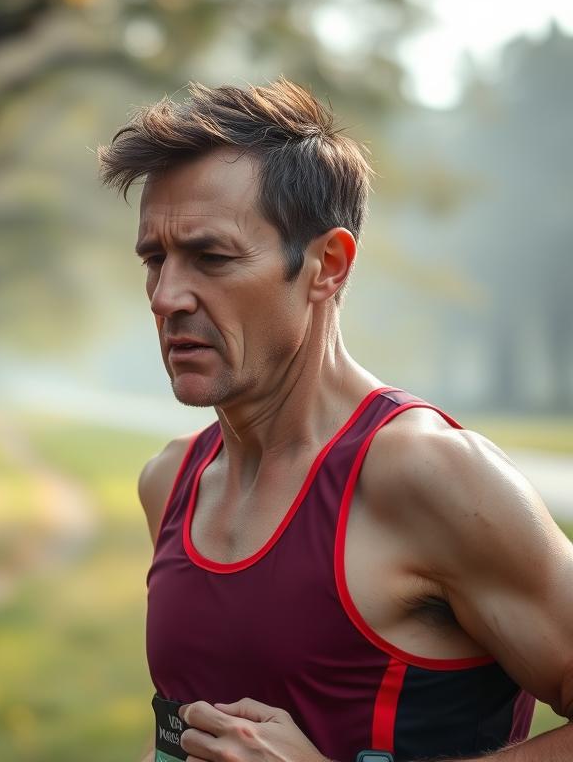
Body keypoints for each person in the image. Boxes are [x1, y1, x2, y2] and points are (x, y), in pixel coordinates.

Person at [96, 79, 573, 762]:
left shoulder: (432, 475)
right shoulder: (170, 482)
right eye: (154, 259)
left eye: (211, 257)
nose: (167, 297)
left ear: (327, 266)